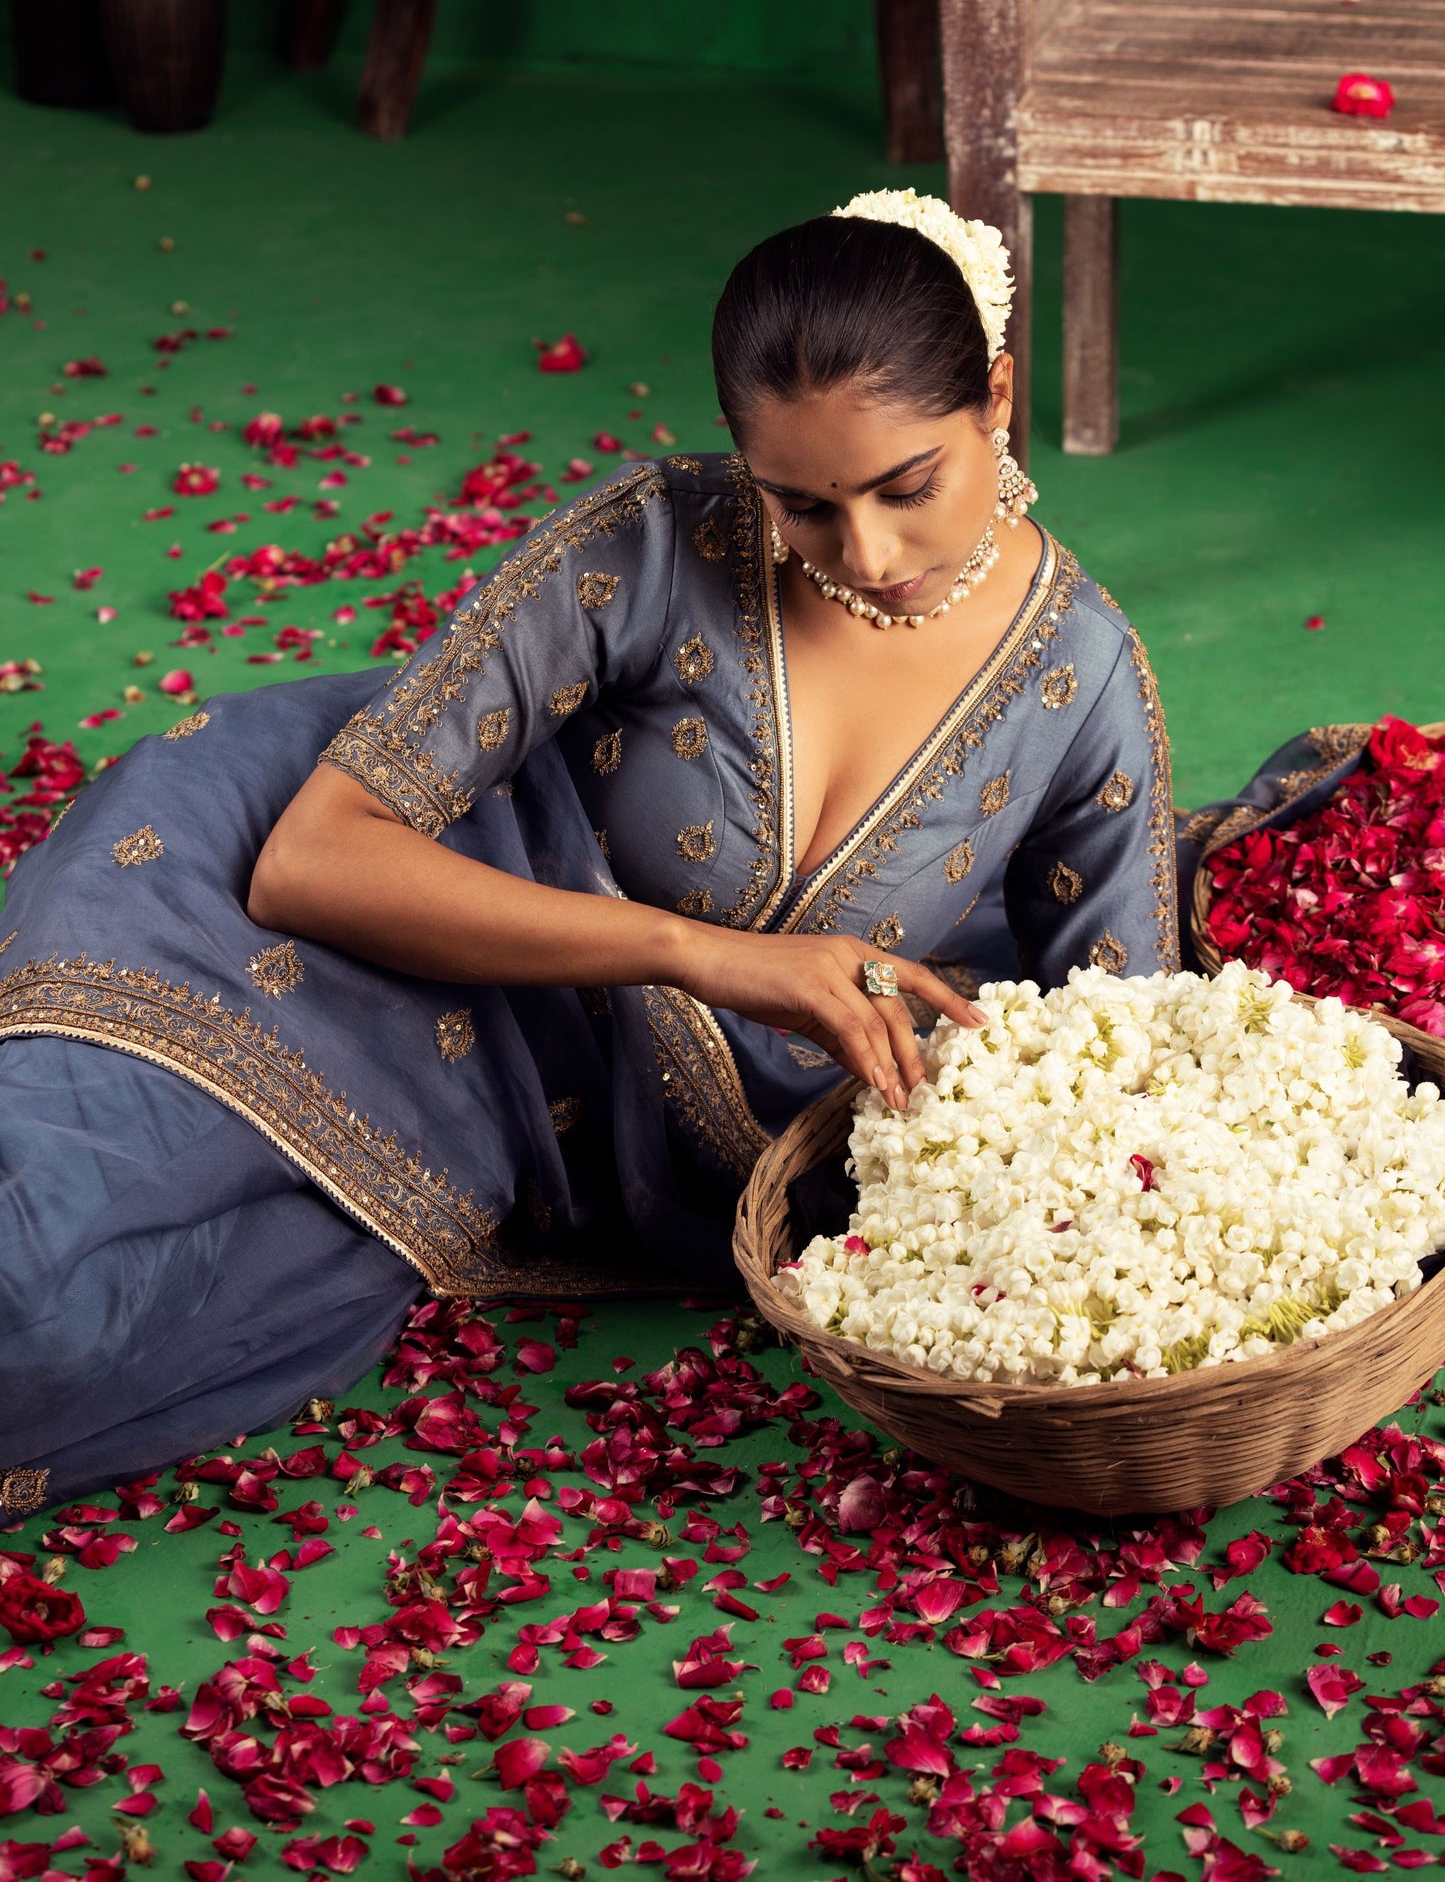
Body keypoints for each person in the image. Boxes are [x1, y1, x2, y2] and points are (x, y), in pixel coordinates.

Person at [0, 189, 1178, 1522]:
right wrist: (718, 959)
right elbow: (311, 864)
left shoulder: (1079, 679)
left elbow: (1117, 1052)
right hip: (273, 918)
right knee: (30, 1246)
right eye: (801, 503)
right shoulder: (663, 541)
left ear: (996, 401)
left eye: (910, 486)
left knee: (85, 1337)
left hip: (505, 1131)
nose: (865, 553)